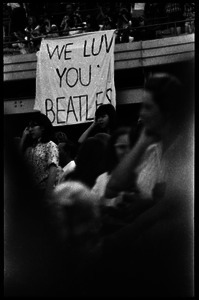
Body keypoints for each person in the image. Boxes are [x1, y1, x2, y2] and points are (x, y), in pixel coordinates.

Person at [105, 73, 191, 202]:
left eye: (148, 107)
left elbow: (173, 208)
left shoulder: (188, 150)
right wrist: (142, 142)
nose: (141, 113)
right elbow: (112, 188)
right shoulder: (152, 150)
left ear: (167, 112)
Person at [19, 113, 59, 199]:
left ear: (43, 127)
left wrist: (47, 196)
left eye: (33, 126)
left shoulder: (50, 145)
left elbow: (53, 171)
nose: (30, 129)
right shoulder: (30, 147)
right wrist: (23, 138)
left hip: (43, 192)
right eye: (29, 126)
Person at [91, 127, 131, 205]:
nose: (128, 151)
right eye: (122, 147)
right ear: (112, 150)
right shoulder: (102, 179)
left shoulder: (148, 176)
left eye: (132, 146)